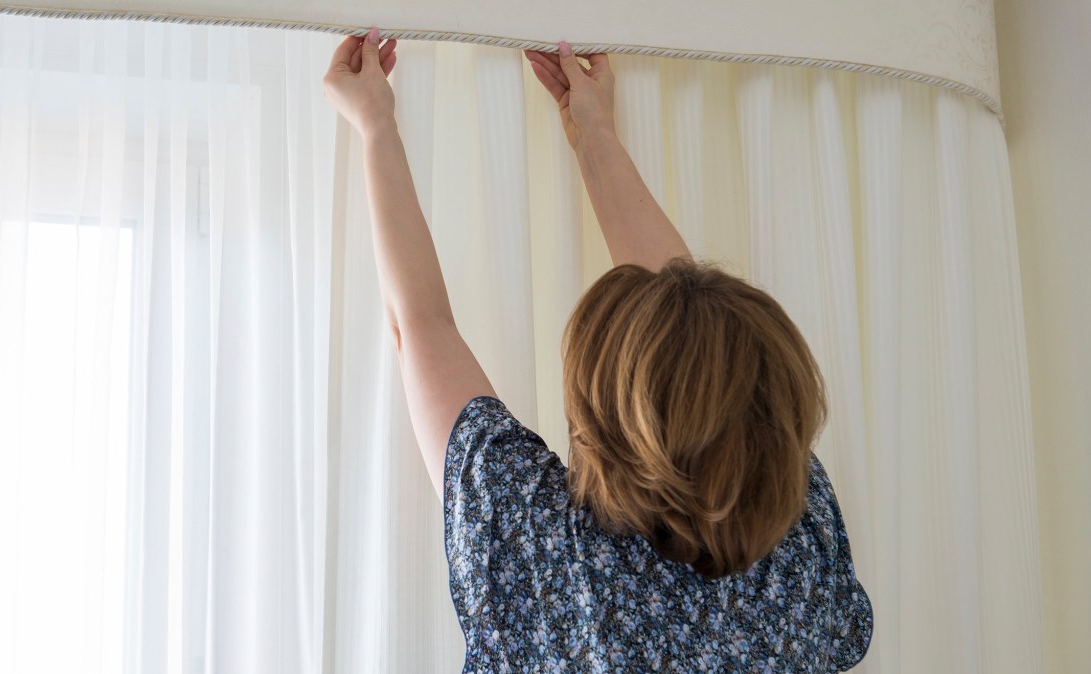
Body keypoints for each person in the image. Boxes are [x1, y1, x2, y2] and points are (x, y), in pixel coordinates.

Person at [323, 27, 873, 673]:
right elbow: (689, 344)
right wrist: (594, 136)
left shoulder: (540, 540)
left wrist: (376, 125)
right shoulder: (800, 537)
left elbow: (421, 326)